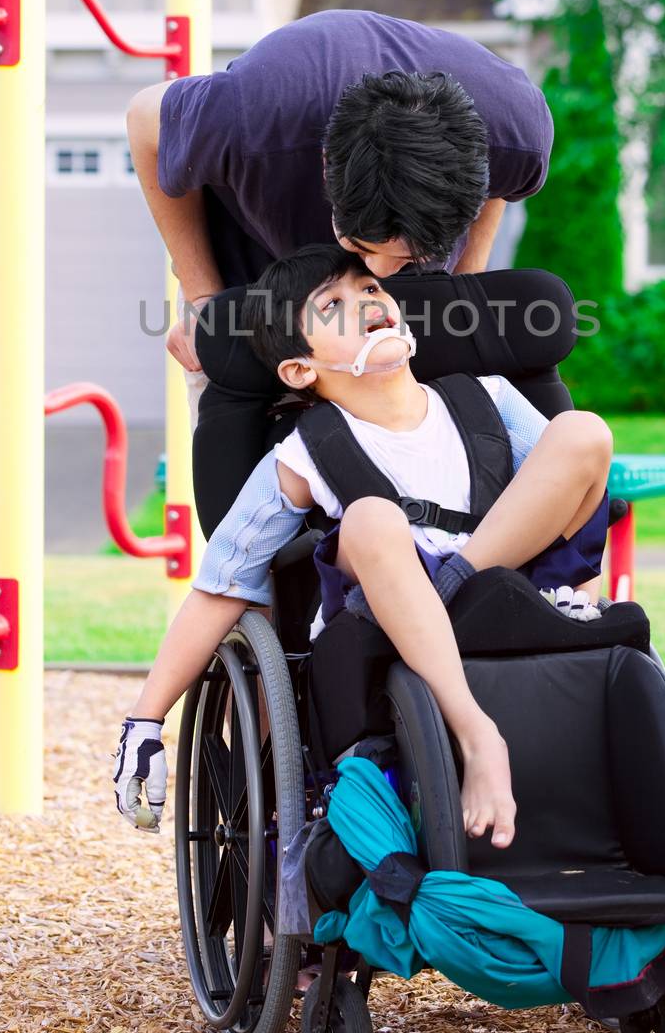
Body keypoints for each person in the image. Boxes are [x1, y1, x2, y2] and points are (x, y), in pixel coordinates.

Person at [113, 245, 612, 853]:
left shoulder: (489, 397)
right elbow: (222, 582)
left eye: (370, 289)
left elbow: (572, 496)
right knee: (372, 517)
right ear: (300, 369)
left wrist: (587, 603)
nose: (367, 303)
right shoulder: (302, 454)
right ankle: (478, 735)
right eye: (334, 305)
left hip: (497, 576)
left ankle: (455, 584)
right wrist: (145, 720)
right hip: (382, 609)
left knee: (584, 431)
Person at [126, 10, 554, 375]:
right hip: (252, 269)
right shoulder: (249, 116)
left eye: (407, 256)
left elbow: (502, 181)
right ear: (327, 164)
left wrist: (462, 285)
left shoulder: (517, 132)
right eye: (361, 246)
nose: (380, 273)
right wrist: (204, 295)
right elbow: (144, 119)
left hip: (400, 309)